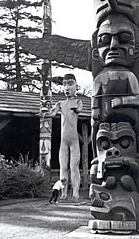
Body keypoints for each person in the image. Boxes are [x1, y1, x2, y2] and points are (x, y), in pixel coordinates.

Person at [50, 73, 83, 201]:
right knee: (63, 167)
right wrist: (45, 112)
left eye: (70, 84)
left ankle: (75, 192)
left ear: (76, 86)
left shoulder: (78, 101)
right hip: (63, 141)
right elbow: (52, 113)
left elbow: (79, 109)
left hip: (74, 140)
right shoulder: (61, 103)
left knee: (74, 167)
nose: (67, 87)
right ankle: (63, 193)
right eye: (64, 84)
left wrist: (75, 109)